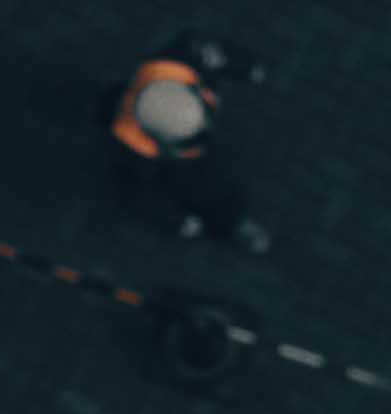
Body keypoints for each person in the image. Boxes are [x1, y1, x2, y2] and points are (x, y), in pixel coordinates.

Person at [101, 33, 271, 254]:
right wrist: (176, 222)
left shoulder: (178, 61)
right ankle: (231, 223)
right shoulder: (132, 153)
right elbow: (134, 197)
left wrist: (247, 68)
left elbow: (216, 52)